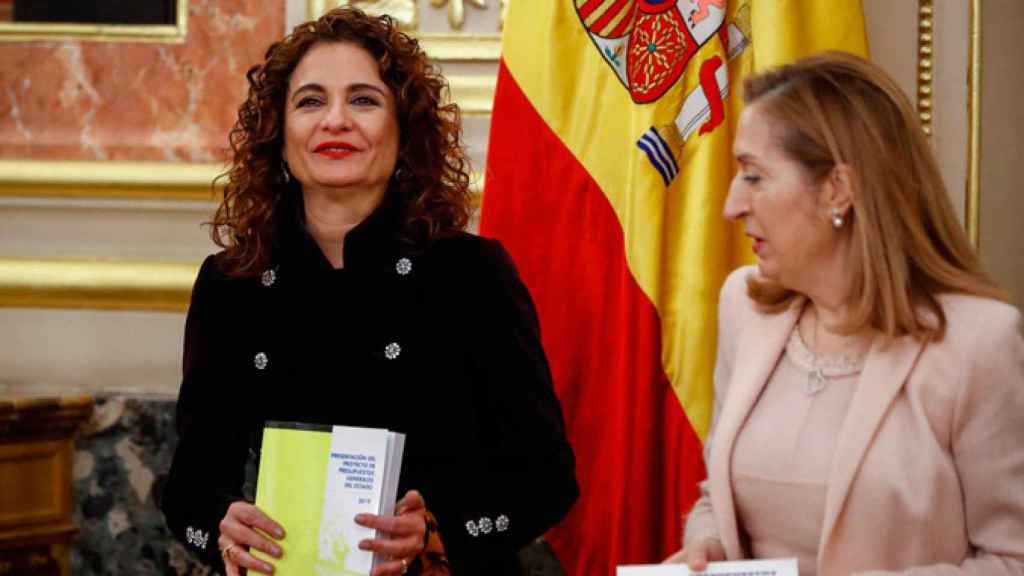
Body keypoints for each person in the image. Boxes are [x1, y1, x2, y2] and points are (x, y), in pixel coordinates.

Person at [160, 8, 578, 576]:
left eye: (363, 100)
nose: (335, 120)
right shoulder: (232, 284)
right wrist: (221, 527)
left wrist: (437, 532)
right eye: (310, 101)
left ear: (405, 132)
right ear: (278, 135)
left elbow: (547, 480)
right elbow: (189, 488)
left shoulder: (473, 275)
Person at [666, 51, 1024, 575]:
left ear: (838, 189)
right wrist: (710, 542)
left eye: (754, 176)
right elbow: (716, 498)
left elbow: (1013, 559)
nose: (732, 205)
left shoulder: (980, 342)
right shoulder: (744, 307)